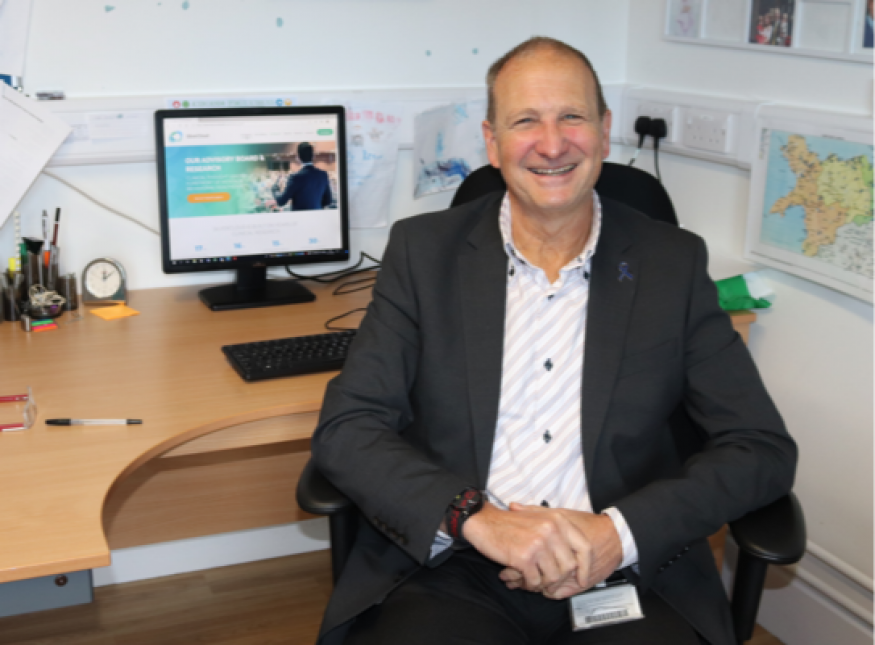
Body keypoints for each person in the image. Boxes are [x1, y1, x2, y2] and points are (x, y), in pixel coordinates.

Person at [311, 37, 796, 645]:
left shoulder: (671, 264)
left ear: (605, 130)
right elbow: (349, 427)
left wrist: (616, 533)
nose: (552, 143)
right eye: (525, 121)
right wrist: (475, 519)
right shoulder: (423, 253)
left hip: (625, 570)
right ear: (492, 142)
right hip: (455, 564)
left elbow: (760, 447)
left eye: (572, 116)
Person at [269, 142, 332, 211]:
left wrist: (275, 189)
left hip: (300, 217)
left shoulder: (295, 177)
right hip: (317, 215)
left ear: (298, 157)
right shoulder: (323, 175)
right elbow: (328, 201)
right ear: (313, 156)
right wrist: (316, 207)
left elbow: (281, 201)